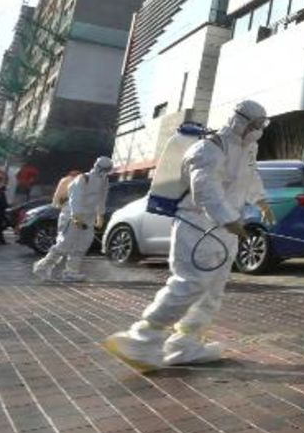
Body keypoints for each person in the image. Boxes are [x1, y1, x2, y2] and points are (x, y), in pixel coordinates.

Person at [103, 100, 274, 370]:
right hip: (196, 226)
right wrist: (228, 220)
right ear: (240, 121)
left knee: (212, 290)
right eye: (255, 124)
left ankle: (186, 344)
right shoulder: (207, 149)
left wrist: (261, 201)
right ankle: (142, 338)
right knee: (190, 283)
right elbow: (205, 189)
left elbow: (250, 177)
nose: (258, 130)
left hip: (225, 229)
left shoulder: (247, 149)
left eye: (262, 125)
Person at [33, 157, 113, 281]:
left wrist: (100, 215)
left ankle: (71, 272)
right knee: (64, 244)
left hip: (88, 217)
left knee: (82, 245)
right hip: (72, 216)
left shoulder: (104, 181)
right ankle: (42, 267)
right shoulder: (83, 179)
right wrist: (76, 216)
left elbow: (102, 198)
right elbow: (75, 198)